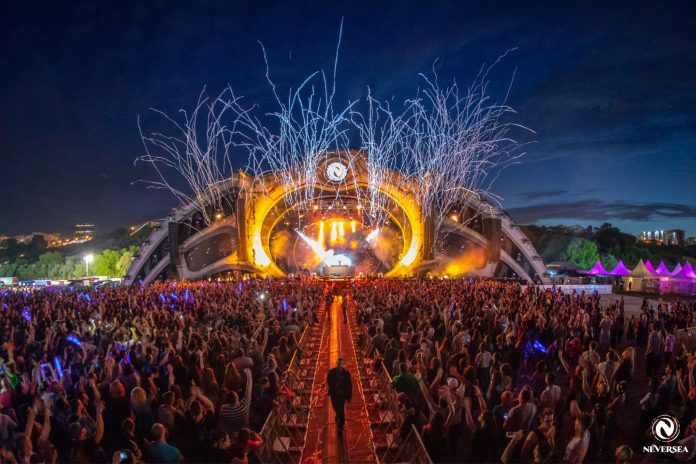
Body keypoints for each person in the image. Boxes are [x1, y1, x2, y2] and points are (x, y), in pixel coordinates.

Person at [327, 358, 352, 435]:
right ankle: (337, 414)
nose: (339, 365)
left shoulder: (346, 374)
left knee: (341, 410)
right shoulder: (331, 372)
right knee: (335, 407)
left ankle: (340, 428)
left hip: (342, 395)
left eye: (340, 364)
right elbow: (328, 381)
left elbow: (349, 386)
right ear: (336, 364)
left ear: (342, 364)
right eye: (338, 363)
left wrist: (349, 397)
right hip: (334, 394)